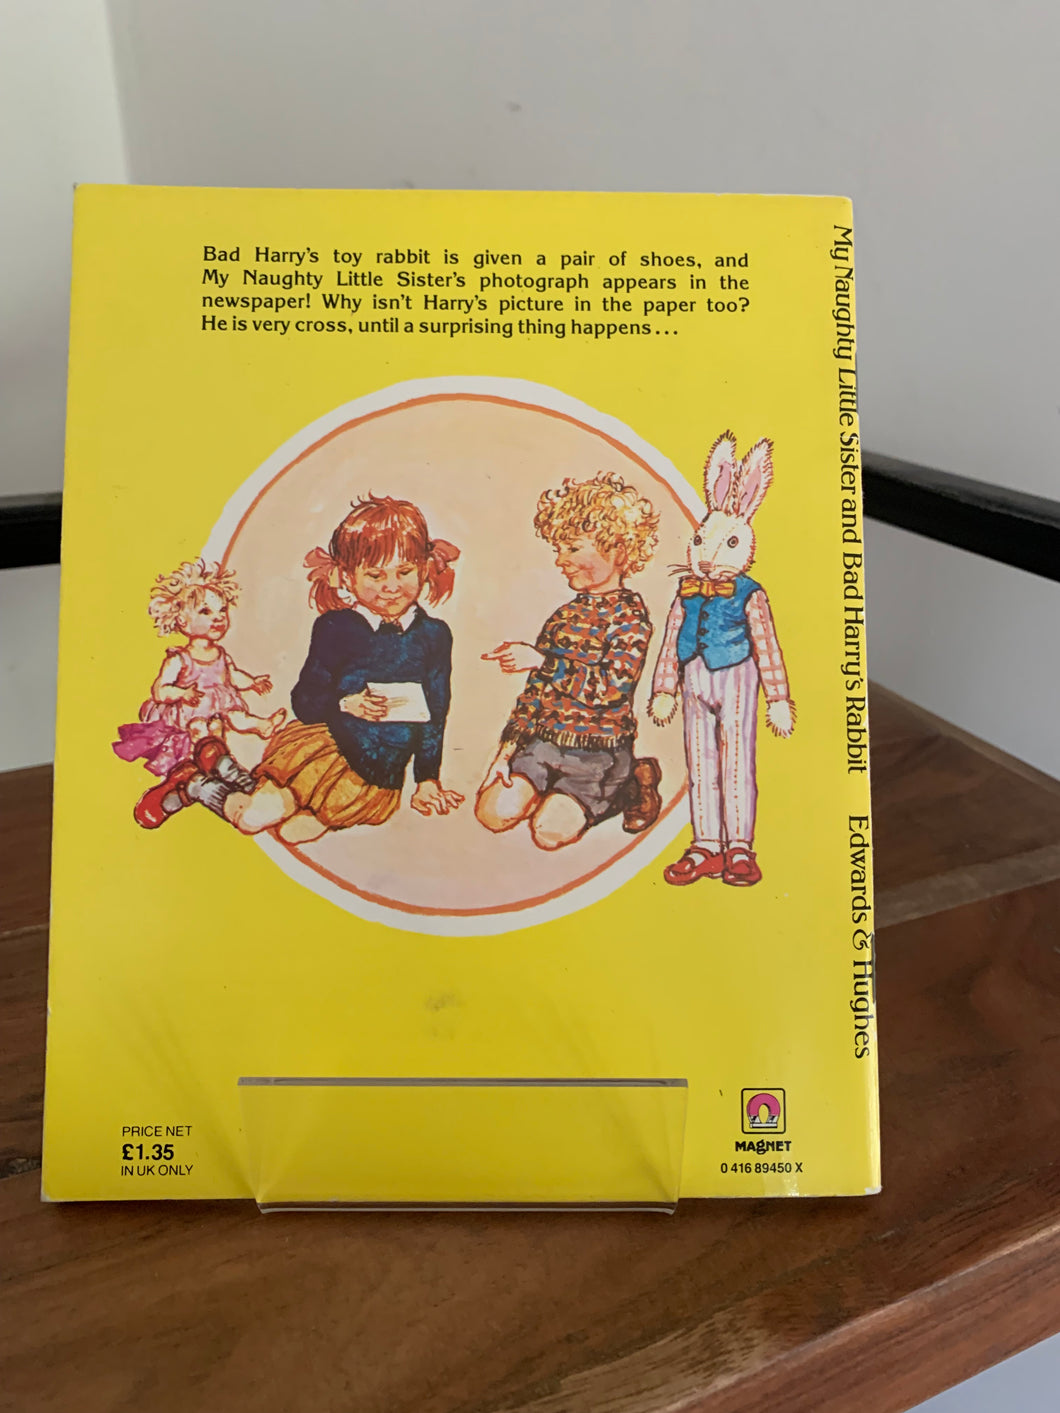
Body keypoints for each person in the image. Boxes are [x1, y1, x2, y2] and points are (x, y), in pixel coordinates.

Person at [134, 495, 463, 841]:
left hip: (379, 779)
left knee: (291, 835)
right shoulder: (335, 627)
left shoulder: (435, 635)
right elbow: (305, 700)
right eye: (375, 575)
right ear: (347, 578)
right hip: (328, 749)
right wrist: (346, 704)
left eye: (404, 572)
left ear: (423, 568)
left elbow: (436, 713)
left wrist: (427, 779)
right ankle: (195, 783)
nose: (391, 587)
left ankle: (222, 766)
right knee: (253, 819)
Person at [476, 471, 662, 851]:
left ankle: (628, 784)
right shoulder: (563, 617)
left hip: (599, 753)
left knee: (548, 834)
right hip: (542, 746)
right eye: (558, 549)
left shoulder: (630, 617)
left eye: (572, 548)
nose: (561, 560)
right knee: (491, 814)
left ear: (618, 550)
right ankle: (553, 793)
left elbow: (609, 689)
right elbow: (534, 695)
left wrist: (542, 662)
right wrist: (505, 754)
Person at [114, 560, 284, 823]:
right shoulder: (180, 658)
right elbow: (160, 691)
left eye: (222, 610)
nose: (218, 617)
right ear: (182, 620)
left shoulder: (220, 654)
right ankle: (227, 775)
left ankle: (260, 728)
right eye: (206, 611)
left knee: (231, 718)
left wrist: (251, 682)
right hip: (191, 714)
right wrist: (182, 694)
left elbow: (232, 675)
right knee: (201, 729)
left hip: (216, 709)